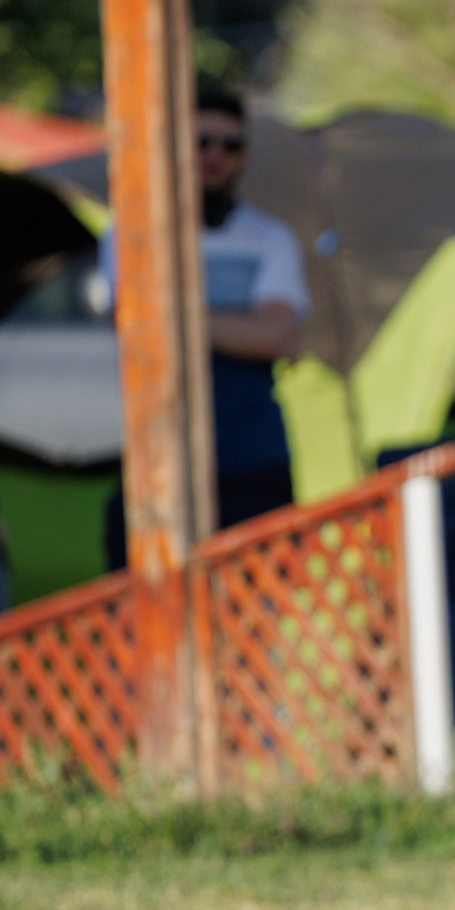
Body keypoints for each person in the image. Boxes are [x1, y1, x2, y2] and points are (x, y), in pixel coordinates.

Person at [102, 79, 310, 568]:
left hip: (252, 458)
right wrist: (241, 327)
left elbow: (276, 336)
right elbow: (135, 328)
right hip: (159, 456)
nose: (214, 156)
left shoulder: (270, 237)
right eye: (200, 142)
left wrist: (173, 314)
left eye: (230, 145)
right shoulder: (131, 234)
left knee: (256, 607)